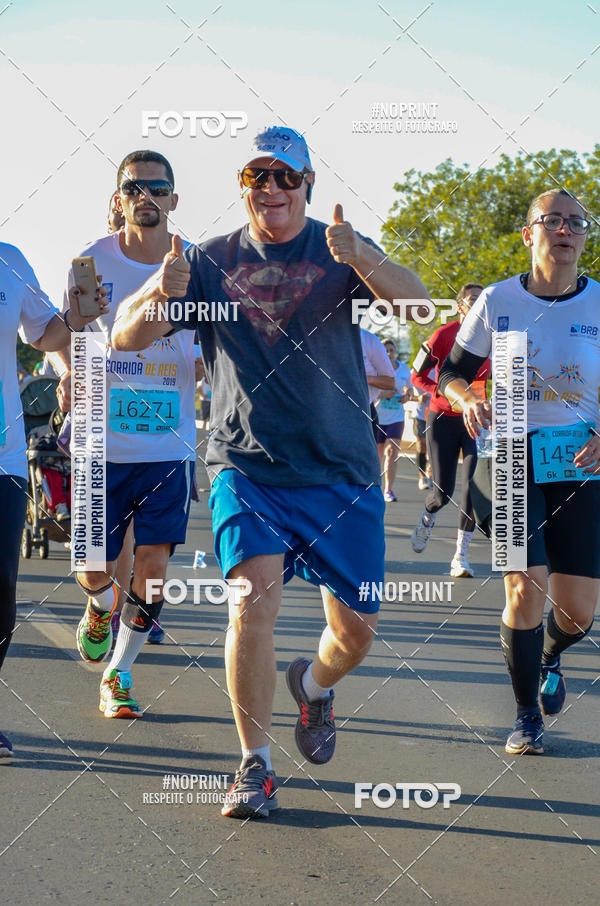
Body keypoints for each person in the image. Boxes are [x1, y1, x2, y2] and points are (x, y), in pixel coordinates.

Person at [112, 125, 430, 818]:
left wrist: (366, 257)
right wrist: (156, 297)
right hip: (246, 466)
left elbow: (419, 306)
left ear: (308, 185)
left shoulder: (340, 252)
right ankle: (253, 766)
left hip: (341, 470)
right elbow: (124, 336)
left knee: (357, 633)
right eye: (259, 176)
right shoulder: (208, 260)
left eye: (287, 177)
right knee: (250, 601)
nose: (272, 189)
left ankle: (313, 688)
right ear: (242, 186)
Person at [438, 188, 600, 755]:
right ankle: (526, 715)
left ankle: (551, 654)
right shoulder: (499, 301)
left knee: (578, 611)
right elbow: (449, 373)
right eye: (552, 220)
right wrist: (466, 400)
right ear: (529, 234)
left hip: (581, 463)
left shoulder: (599, 304)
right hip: (509, 459)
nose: (566, 229)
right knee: (523, 587)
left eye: (577, 221)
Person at [51, 150, 196, 716]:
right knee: (93, 569)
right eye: (134, 188)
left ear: (173, 200)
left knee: (154, 570)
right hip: (98, 438)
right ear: (120, 199)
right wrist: (71, 374)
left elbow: (209, 347)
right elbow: (74, 334)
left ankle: (119, 674)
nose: (146, 197)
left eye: (158, 189)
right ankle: (100, 605)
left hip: (167, 442)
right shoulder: (89, 261)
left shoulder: (196, 265)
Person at [0, 243, 107, 756]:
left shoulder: (10, 260)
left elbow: (44, 332)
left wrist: (78, 315)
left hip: (3, 457)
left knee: (1, 587)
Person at [411, 284, 490, 578]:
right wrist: (440, 393)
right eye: (472, 300)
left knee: (473, 486)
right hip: (442, 417)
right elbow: (416, 374)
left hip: (476, 420)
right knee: (442, 493)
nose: (477, 305)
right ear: (460, 307)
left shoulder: (494, 336)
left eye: (482, 300)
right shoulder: (443, 335)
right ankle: (429, 514)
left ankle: (460, 557)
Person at [375, 339, 411, 502]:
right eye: (386, 350)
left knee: (391, 452)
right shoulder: (376, 369)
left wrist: (407, 395)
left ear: (395, 352)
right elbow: (366, 390)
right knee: (377, 455)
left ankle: (388, 489)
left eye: (391, 350)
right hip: (378, 416)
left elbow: (409, 388)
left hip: (396, 417)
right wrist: (383, 394)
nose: (389, 353)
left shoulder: (403, 369)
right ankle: (374, 487)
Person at [360, 327, 395, 443]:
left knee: (387, 451)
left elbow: (390, 382)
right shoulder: (317, 336)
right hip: (326, 413)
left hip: (364, 412)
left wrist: (364, 379)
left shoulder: (368, 339)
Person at [412, 384, 432, 490]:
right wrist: (417, 398)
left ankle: (431, 472)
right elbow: (405, 394)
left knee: (433, 446)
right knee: (421, 445)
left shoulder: (441, 370)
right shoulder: (415, 373)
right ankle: (422, 477)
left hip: (436, 414)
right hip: (420, 415)